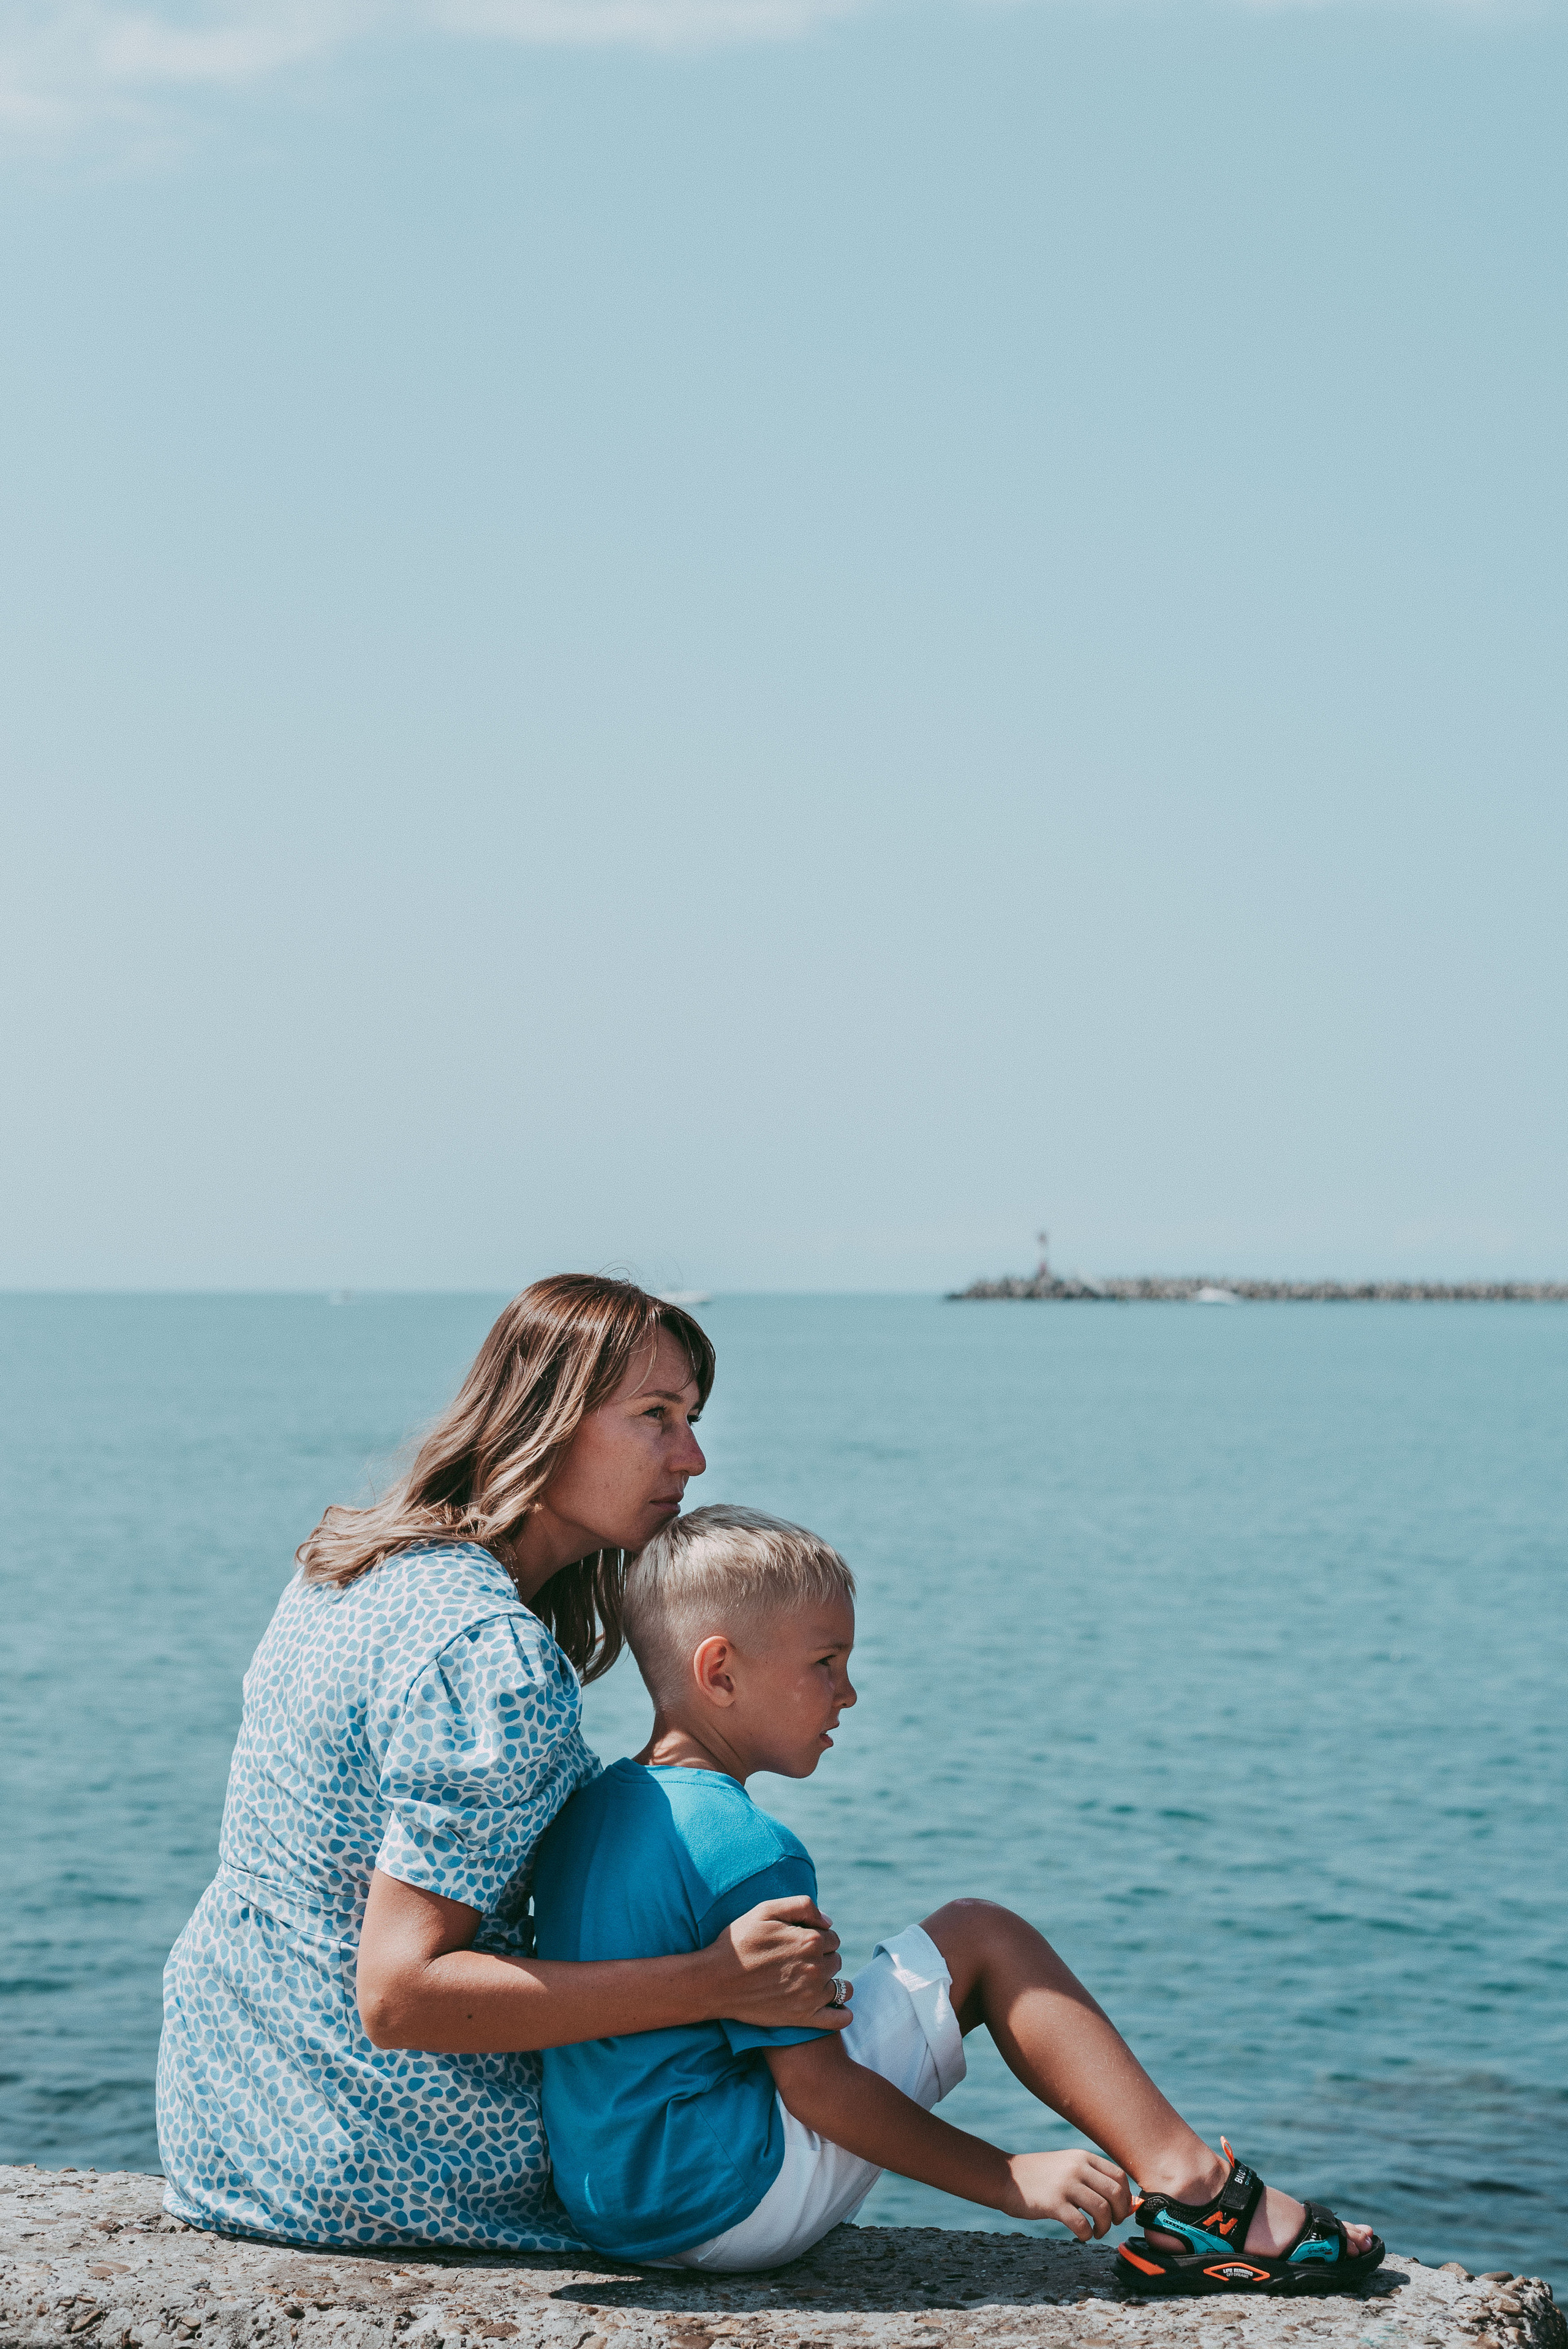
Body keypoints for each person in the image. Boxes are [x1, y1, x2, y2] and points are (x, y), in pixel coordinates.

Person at [533, 1505, 1385, 2298]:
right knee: (982, 1936)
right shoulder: (748, 1846)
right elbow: (820, 2092)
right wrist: (1008, 2178)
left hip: (615, 2213)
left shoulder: (593, 1809)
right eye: (825, 1662)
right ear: (720, 1671)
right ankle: (1202, 2193)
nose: (848, 1691)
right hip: (732, 2205)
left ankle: (1199, 2188)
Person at [156, 1281, 849, 2250]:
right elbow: (399, 1994)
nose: (692, 1456)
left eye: (691, 1419)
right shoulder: (492, 1656)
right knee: (819, 2056)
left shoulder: (350, 1565)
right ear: (549, 1418)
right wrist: (714, 1980)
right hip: (393, 2150)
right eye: (656, 1415)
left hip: (230, 2124)